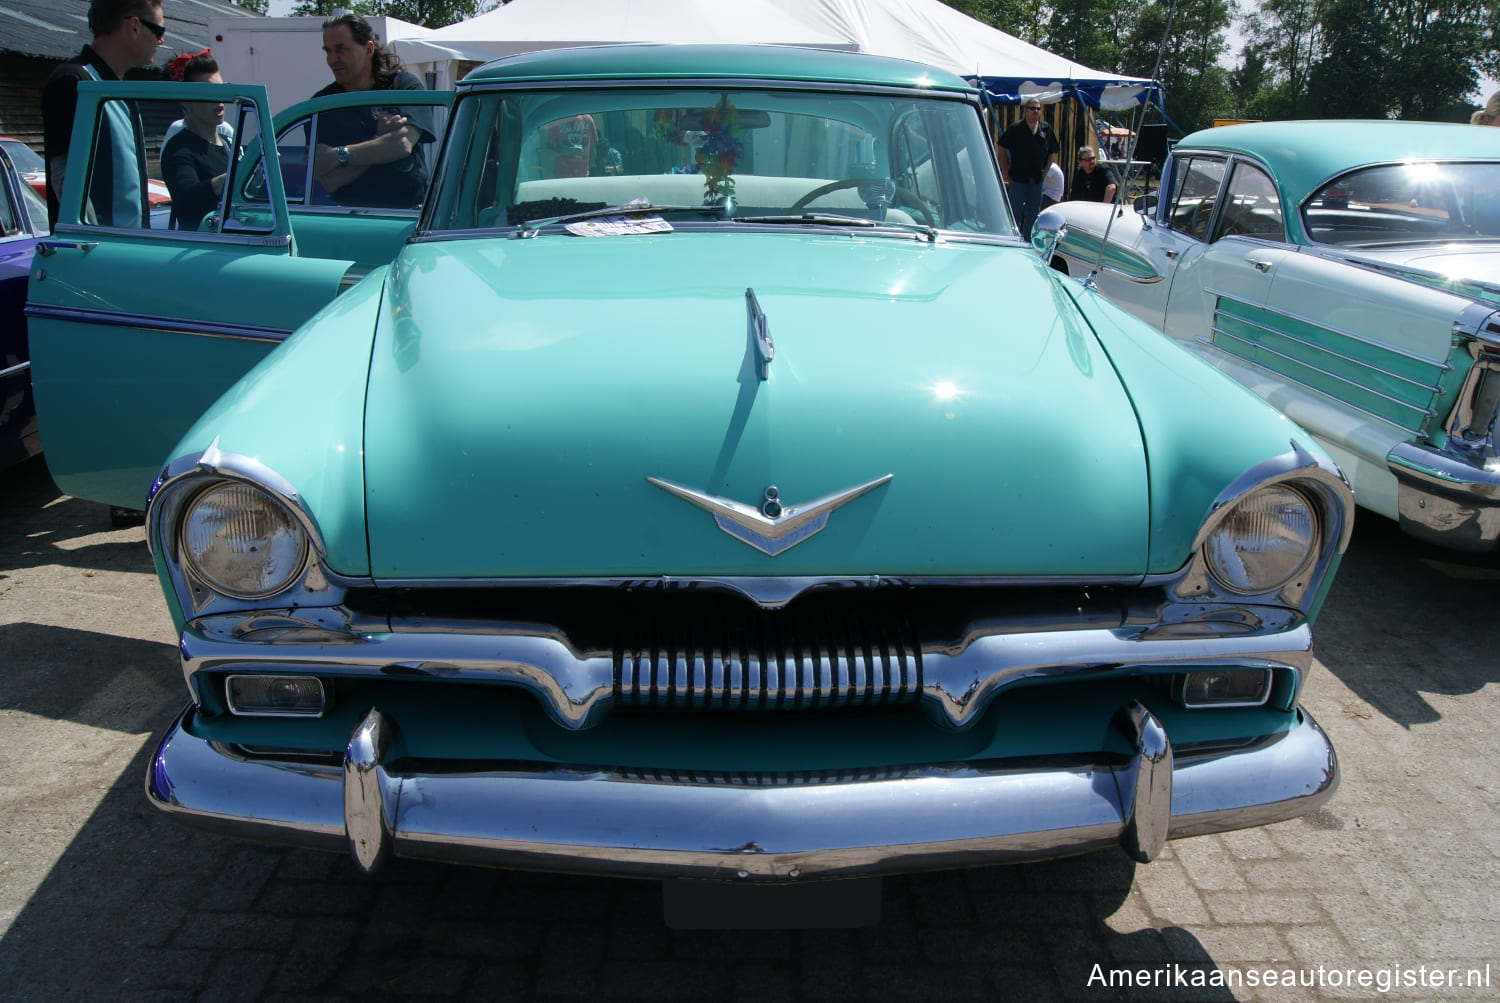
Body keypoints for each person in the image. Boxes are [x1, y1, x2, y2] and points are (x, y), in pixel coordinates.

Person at [41, 0, 164, 228]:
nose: (161, 40)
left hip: (124, 249)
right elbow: (65, 178)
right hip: (94, 253)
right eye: (158, 30)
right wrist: (97, 243)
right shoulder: (74, 82)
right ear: (134, 26)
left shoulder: (119, 86)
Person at [310, 12, 434, 208]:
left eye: (341, 49)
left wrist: (339, 156)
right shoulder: (322, 104)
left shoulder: (404, 87)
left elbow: (402, 145)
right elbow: (330, 181)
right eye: (328, 51)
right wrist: (381, 139)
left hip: (409, 217)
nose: (333, 59)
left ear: (368, 48)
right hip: (349, 219)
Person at [160, 50, 232, 231]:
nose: (219, 99)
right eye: (209, 91)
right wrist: (233, 178)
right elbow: (186, 202)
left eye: (222, 89)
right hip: (201, 247)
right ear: (185, 100)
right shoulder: (178, 149)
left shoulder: (228, 143)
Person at [997, 99, 1059, 240]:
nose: (1035, 111)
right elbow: (1001, 147)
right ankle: (1013, 238)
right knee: (1015, 211)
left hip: (1037, 178)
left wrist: (1045, 171)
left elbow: (1053, 151)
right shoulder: (1016, 128)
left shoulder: (1046, 128)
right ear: (1025, 111)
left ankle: (1028, 241)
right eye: (1032, 108)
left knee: (1033, 212)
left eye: (1038, 108)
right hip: (1018, 177)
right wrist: (1004, 171)